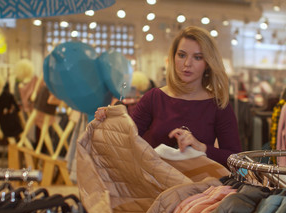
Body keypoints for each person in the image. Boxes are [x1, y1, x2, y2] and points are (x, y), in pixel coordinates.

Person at [95, 26, 242, 168]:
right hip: (155, 185)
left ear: (208, 63)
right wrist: (110, 121)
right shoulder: (154, 98)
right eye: (182, 55)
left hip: (199, 187)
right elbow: (125, 141)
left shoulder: (218, 105)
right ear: (173, 57)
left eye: (197, 57)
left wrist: (201, 147)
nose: (187, 63)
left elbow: (235, 160)